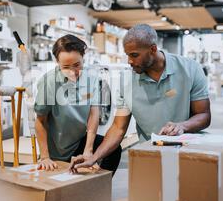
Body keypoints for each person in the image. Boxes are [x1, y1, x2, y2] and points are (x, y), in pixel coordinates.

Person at [69, 24, 211, 173]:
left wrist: (182, 126)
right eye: (127, 55)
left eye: (134, 55)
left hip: (189, 152)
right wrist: (94, 156)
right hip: (150, 155)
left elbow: (204, 115)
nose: (129, 61)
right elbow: (118, 128)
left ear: (153, 49)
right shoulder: (127, 82)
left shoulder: (190, 69)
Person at [34, 34, 121, 175]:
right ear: (57, 62)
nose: (73, 72)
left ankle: (98, 189)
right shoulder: (49, 82)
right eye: (66, 67)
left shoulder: (91, 79)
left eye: (77, 65)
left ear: (83, 57)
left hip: (79, 141)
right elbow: (40, 121)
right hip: (56, 148)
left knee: (113, 150)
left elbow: (93, 115)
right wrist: (45, 157)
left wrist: (88, 150)